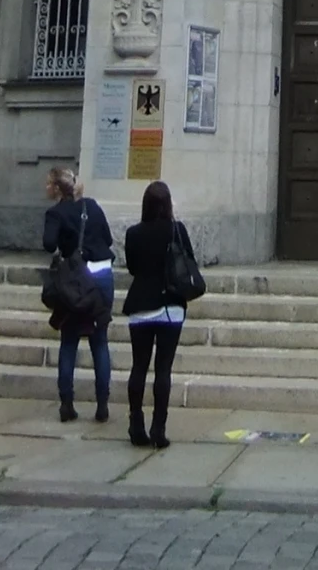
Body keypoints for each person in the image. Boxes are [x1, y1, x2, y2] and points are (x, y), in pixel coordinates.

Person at [121, 178, 197, 448]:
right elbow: (188, 260)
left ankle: (135, 422)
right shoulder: (177, 230)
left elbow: (132, 267)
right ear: (167, 204)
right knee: (163, 369)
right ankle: (158, 428)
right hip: (170, 306)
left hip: (140, 304)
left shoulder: (133, 233)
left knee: (138, 367)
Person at [41, 166, 114, 422]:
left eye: (49, 184)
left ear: (58, 189)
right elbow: (107, 238)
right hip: (102, 275)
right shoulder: (92, 207)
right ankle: (102, 404)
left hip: (74, 280)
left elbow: (49, 244)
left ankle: (66, 404)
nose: (45, 188)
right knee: (100, 341)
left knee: (69, 341)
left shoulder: (55, 213)